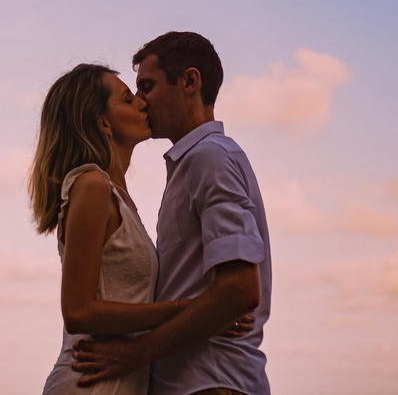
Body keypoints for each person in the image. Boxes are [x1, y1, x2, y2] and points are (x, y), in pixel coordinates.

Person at [30, 63, 254, 395]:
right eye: (127, 99)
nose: (142, 102)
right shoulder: (92, 185)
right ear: (103, 122)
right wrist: (192, 309)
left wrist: (199, 319)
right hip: (91, 381)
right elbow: (78, 312)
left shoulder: (119, 197)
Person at [71, 32, 272, 395]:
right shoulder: (192, 164)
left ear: (190, 82)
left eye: (147, 86)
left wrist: (135, 354)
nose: (141, 101)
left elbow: (240, 290)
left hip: (211, 382)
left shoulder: (210, 158)